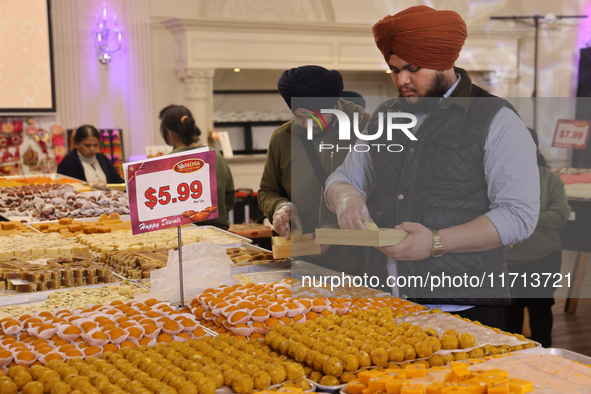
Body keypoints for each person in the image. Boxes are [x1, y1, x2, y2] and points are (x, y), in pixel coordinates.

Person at [325, 6, 540, 329]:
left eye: (412, 69)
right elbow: (343, 177)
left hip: (464, 309)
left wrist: (435, 242)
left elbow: (519, 216)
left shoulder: (497, 119)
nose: (402, 80)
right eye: (394, 70)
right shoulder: (385, 115)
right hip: (385, 301)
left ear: (445, 62)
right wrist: (344, 197)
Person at [257, 66, 370, 274]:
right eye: (299, 116)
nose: (305, 124)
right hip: (300, 262)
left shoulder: (369, 132)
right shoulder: (282, 138)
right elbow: (267, 191)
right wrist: (281, 207)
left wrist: (334, 232)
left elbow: (386, 198)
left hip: (358, 264)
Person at [504, 128, 570, 347]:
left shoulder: (549, 178)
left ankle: (545, 363)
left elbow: (560, 215)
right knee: (509, 320)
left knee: (540, 313)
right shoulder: (497, 177)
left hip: (544, 258)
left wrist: (524, 218)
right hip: (507, 262)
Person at [160, 105, 236, 230]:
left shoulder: (165, 163)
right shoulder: (216, 155)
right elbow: (230, 199)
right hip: (218, 233)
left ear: (168, 132)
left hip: (180, 236)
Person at [58, 125, 124, 188]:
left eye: (95, 145)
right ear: (76, 144)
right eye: (87, 145)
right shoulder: (68, 163)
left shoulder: (102, 158)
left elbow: (118, 181)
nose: (92, 149)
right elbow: (66, 188)